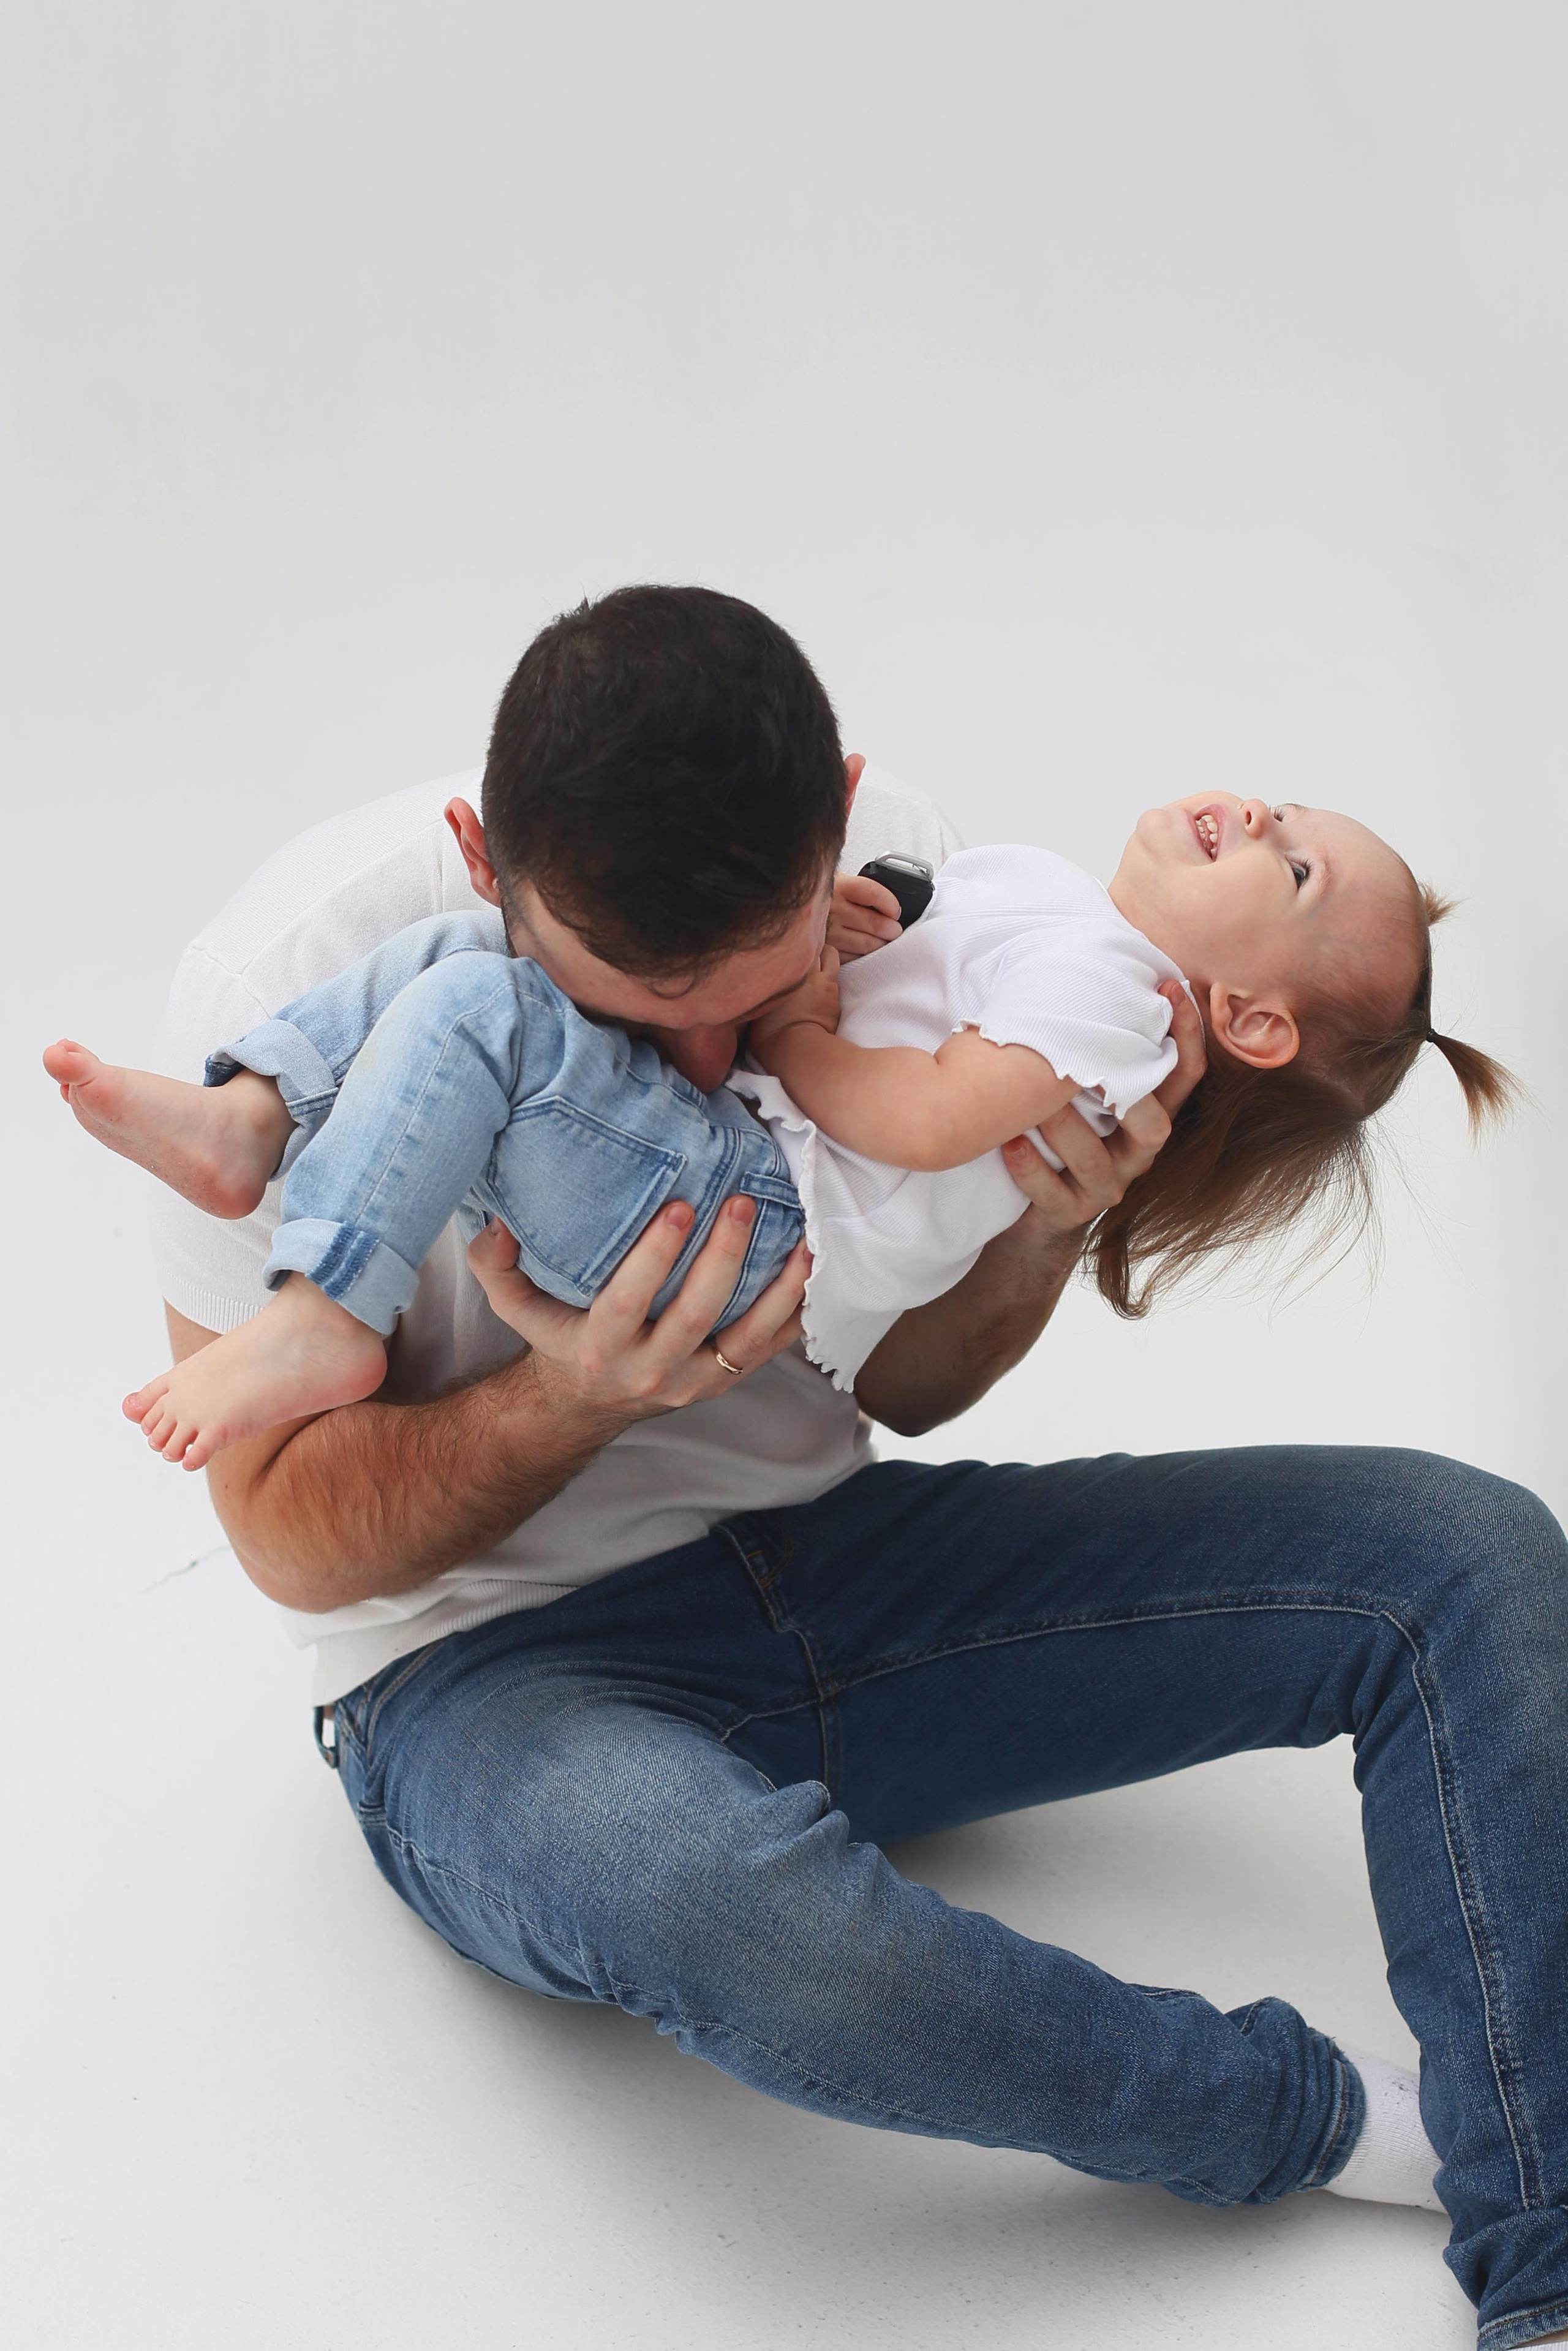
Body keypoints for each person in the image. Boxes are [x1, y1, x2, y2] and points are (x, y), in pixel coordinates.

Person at [52, 587, 1568, 2347]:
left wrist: (1032, 1239)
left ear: (840, 820)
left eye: (764, 999)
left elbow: (909, 1385)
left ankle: (1545, 2229)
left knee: (1459, 1551)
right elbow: (293, 1546)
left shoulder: (917, 862)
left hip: (852, 1560)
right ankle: (1311, 2122)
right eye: (648, 1014)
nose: (716, 1074)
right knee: (715, 1897)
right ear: (485, 860)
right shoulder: (290, 966)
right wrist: (577, 1396)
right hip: (486, 1676)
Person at [51, 778, 1509, 1468]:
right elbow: (910, 984)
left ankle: (330, 1302)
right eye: (1282, 807)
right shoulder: (1047, 902)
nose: (1253, 816)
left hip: (758, 1214)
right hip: (737, 1147)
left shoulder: (1117, 1006)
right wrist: (849, 928)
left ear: (1252, 1021)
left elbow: (932, 1118)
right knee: (467, 971)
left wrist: (797, 1008)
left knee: (482, 1015)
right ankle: (257, 1111)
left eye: (1293, 865)